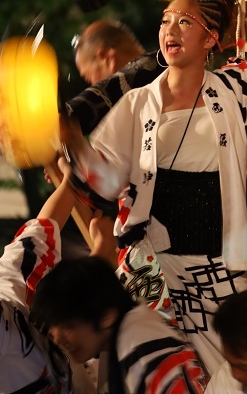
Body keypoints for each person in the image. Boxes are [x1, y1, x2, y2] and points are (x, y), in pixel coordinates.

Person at [63, 0, 247, 375]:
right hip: (152, 262)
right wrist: (75, 143)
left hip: (216, 264)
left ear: (210, 39)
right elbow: (105, 178)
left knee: (229, 371)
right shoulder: (138, 102)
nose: (170, 29)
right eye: (166, 20)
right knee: (147, 370)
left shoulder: (231, 86)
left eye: (184, 22)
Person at [67, 19, 173, 317]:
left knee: (154, 330)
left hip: (170, 233)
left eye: (92, 77)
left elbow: (78, 112)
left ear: (106, 56)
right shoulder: (135, 105)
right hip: (163, 242)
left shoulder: (151, 71)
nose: (93, 84)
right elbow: (107, 182)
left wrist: (67, 131)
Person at [0, 162, 84, 394]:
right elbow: (41, 230)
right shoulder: (5, 282)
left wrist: (71, 178)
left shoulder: (6, 283)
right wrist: (70, 180)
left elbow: (42, 229)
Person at [30, 256, 208, 394]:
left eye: (68, 325)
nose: (58, 339)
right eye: (53, 331)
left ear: (107, 316)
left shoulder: (140, 348)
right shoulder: (134, 331)